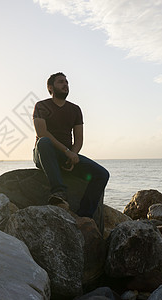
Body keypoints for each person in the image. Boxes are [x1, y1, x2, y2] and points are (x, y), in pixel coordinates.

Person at [33, 72, 109, 218]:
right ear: (50, 87)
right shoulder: (42, 106)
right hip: (44, 154)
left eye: (67, 82)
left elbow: (79, 139)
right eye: (61, 82)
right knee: (44, 142)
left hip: (66, 155)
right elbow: (42, 133)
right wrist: (67, 151)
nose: (65, 85)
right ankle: (58, 192)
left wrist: (73, 154)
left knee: (102, 174)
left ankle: (85, 215)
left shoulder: (75, 109)